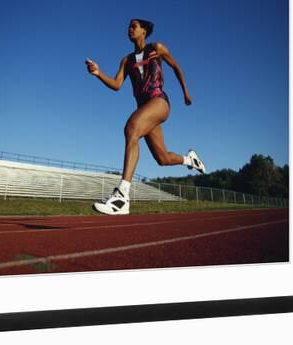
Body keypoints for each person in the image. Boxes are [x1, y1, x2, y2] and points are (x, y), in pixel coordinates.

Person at [85, 18, 206, 215]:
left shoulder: (156, 47)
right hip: (145, 109)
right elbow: (117, 85)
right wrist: (98, 73)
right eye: (128, 27)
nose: (130, 29)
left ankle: (122, 196)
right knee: (163, 158)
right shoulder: (127, 60)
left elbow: (175, 66)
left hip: (159, 101)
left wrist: (185, 92)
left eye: (134, 26)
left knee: (131, 128)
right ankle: (190, 160)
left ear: (144, 31)